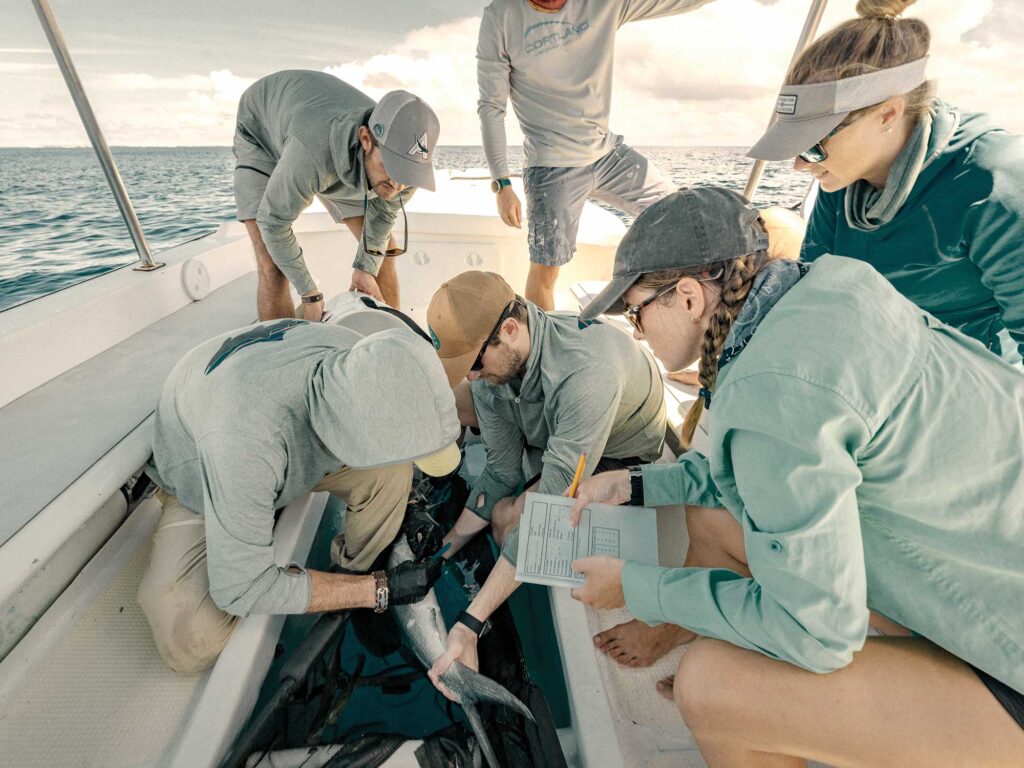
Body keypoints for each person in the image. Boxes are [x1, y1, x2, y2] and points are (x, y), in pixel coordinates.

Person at [568, 187, 1024, 766]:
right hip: (987, 578)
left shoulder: (770, 393)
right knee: (712, 512)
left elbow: (817, 635)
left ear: (686, 299)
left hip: (1009, 667)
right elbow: (754, 472)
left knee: (709, 687)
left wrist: (636, 587)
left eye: (636, 312)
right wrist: (636, 485)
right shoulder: (831, 290)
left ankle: (746, 697)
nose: (636, 330)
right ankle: (710, 636)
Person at [138, 319, 461, 673]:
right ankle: (354, 583)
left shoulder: (358, 357)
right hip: (201, 480)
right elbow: (239, 588)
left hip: (272, 439)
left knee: (392, 475)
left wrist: (410, 503)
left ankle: (351, 568)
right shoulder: (245, 440)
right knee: (189, 641)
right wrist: (377, 590)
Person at [421, 270, 667, 697]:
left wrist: (471, 621)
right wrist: (442, 550)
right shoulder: (494, 369)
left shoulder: (587, 375)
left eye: (474, 364)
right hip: (562, 433)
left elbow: (549, 514)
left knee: (511, 521)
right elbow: (501, 470)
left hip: (619, 452)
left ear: (510, 330)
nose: (473, 377)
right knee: (494, 493)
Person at [748, 0, 1024, 367]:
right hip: (881, 374)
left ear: (887, 113)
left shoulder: (994, 184)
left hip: (975, 392)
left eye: (814, 146)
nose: (799, 164)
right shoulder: (841, 181)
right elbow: (815, 299)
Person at [477, 0, 713, 310]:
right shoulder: (500, 17)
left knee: (679, 213)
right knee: (546, 269)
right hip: (551, 166)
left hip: (607, 153)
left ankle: (650, 297)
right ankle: (545, 350)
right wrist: (502, 183)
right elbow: (491, 107)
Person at [233, 70, 440, 318]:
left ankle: (390, 340)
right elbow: (273, 222)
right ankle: (283, 354)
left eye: (406, 171)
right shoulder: (312, 154)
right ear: (366, 139)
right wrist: (309, 294)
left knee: (380, 253)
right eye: (391, 165)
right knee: (273, 264)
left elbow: (383, 215)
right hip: (260, 130)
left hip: (325, 143)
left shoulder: (407, 169)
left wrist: (366, 268)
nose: (397, 184)